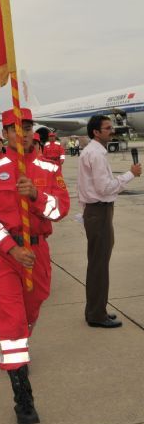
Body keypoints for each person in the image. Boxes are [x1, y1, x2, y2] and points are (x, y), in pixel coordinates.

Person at [0, 108, 70, 424]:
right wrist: (12, 249)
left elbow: (61, 210)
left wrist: (37, 196)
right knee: (13, 324)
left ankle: (19, 351)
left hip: (38, 254)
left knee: (30, 314)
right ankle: (23, 398)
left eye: (27, 127)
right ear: (5, 134)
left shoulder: (49, 166)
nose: (23, 132)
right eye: (15, 128)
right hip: (6, 258)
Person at [77, 115, 141, 328]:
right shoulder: (95, 154)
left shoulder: (94, 152)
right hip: (99, 212)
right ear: (96, 132)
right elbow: (104, 188)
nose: (111, 131)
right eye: (107, 128)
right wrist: (130, 175)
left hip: (97, 212)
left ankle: (97, 309)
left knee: (98, 262)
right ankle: (96, 314)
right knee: (99, 264)